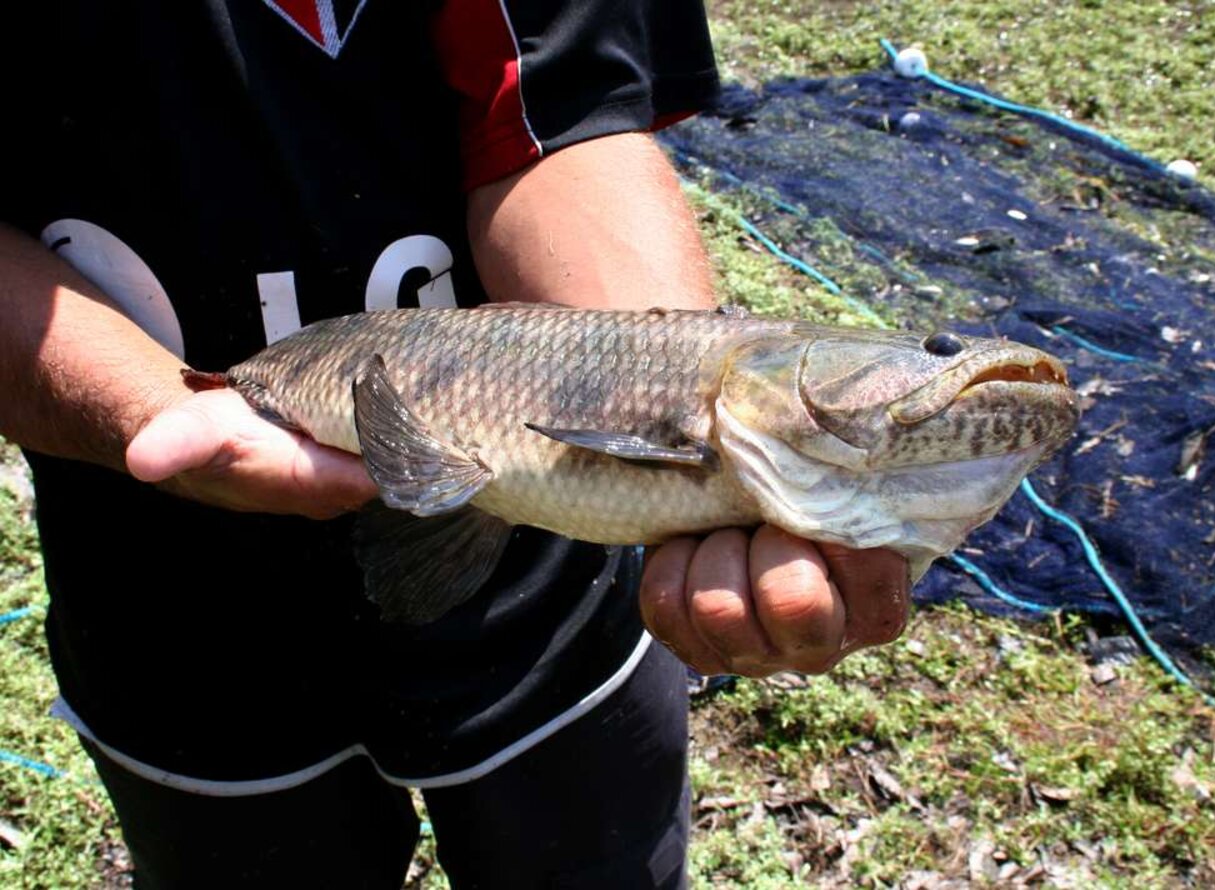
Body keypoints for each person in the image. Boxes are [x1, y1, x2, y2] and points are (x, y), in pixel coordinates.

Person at [1, 2, 910, 887]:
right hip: (170, 616)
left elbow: (563, 117)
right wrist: (141, 401)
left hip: (544, 588)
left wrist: (672, 400)